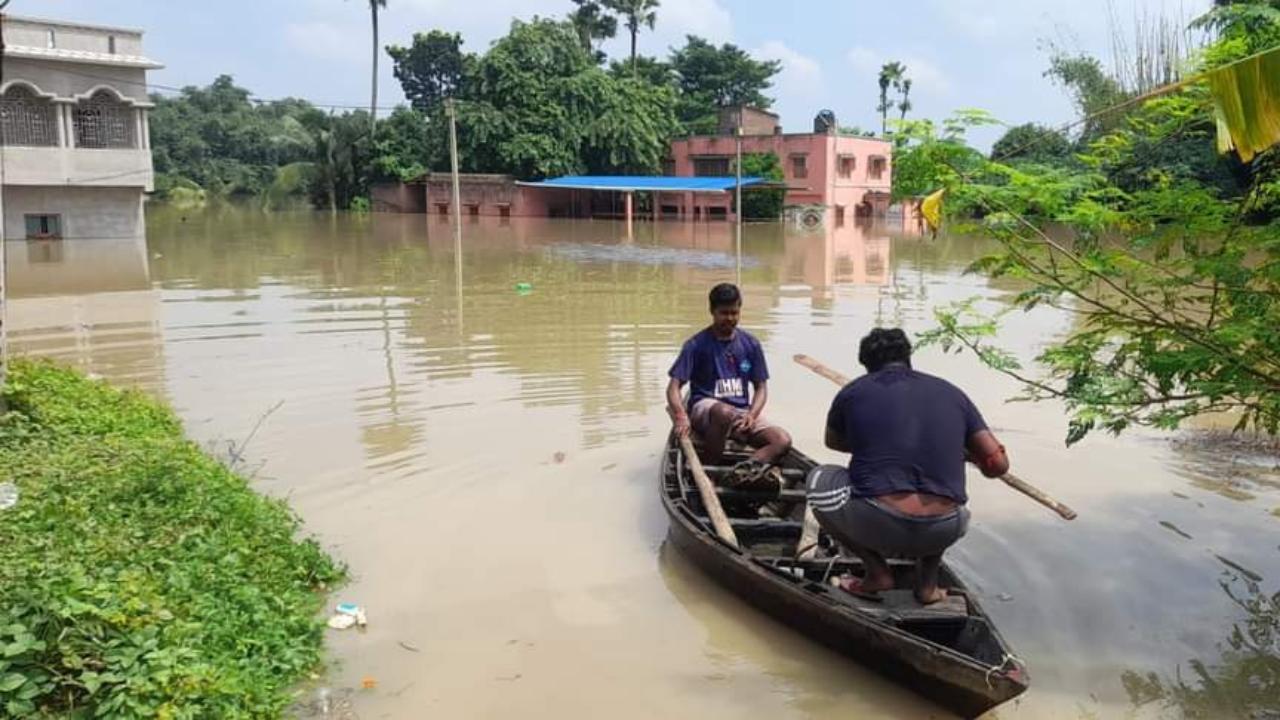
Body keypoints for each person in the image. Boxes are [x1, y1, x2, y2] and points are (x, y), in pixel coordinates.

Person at [810, 328, 1009, 605]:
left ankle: (877, 573)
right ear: (908, 357)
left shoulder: (854, 392)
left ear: (867, 365)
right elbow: (997, 466)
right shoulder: (952, 393)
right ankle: (927, 587)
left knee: (818, 478)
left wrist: (876, 441)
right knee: (943, 492)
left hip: (879, 520)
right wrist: (965, 454)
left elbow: (834, 443)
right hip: (946, 527)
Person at [667, 283, 792, 487]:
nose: (730, 319)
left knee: (782, 440)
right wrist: (681, 416)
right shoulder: (696, 345)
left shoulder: (750, 344)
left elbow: (761, 387)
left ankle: (741, 473)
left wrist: (752, 414)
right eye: (724, 313)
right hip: (706, 410)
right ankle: (707, 475)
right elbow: (674, 387)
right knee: (724, 413)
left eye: (734, 312)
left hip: (741, 413)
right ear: (712, 311)